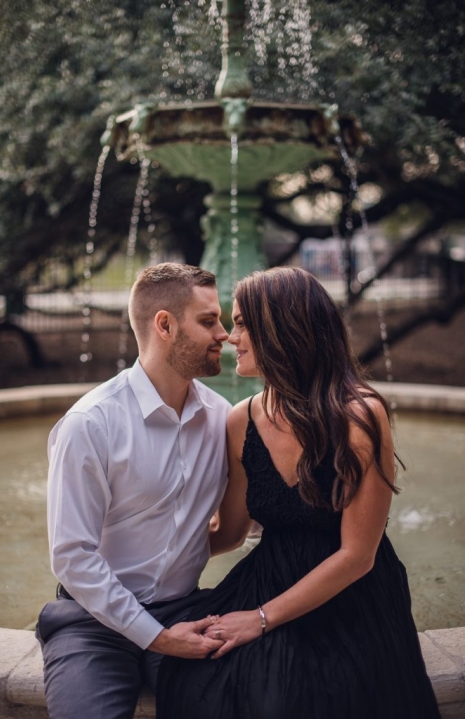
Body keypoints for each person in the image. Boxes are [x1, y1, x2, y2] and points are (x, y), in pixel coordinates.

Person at [157, 267, 441, 719]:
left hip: (351, 592)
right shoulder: (241, 421)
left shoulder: (361, 417)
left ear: (282, 329)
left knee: (307, 696)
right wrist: (144, 552)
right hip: (266, 577)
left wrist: (261, 618)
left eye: (245, 323)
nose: (232, 337)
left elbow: (357, 556)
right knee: (193, 677)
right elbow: (229, 533)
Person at [36, 262, 232, 719]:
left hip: (187, 610)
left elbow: (246, 518)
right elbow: (72, 556)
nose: (223, 333)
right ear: (164, 325)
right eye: (208, 321)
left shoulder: (223, 420)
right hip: (92, 623)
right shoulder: (91, 423)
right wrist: (159, 638)